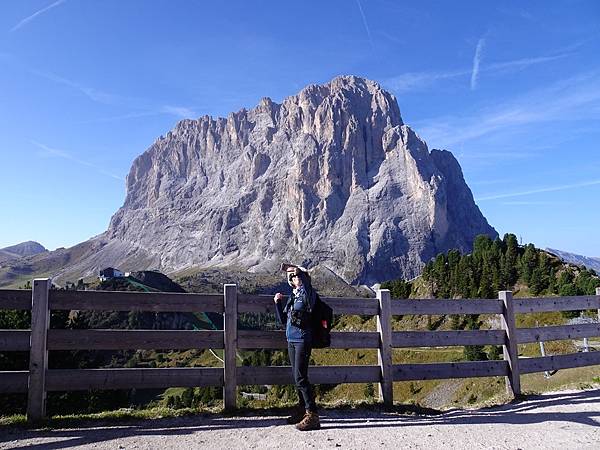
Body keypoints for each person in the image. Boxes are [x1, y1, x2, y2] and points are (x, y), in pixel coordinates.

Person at [274, 266, 320, 431]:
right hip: (291, 340)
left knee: (300, 378)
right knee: (297, 377)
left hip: (302, 339)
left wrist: (297, 269)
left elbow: (306, 281)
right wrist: (278, 303)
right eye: (292, 277)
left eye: (297, 276)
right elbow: (283, 320)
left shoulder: (308, 294)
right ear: (291, 282)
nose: (295, 277)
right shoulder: (293, 297)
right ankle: (302, 411)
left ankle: (313, 415)